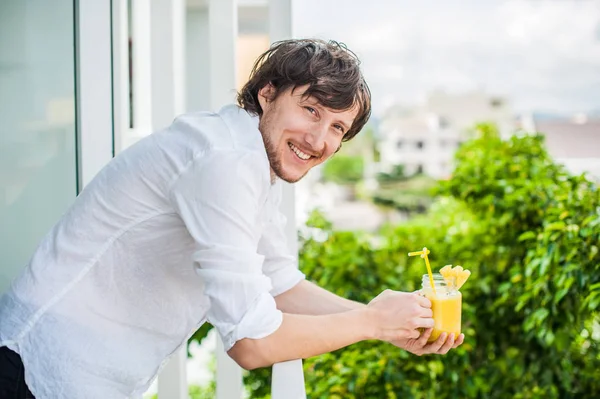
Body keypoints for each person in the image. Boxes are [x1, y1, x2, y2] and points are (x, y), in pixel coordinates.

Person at [0, 39, 464, 398]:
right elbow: (251, 343)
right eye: (311, 110)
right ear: (267, 94)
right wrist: (372, 324)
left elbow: (280, 285)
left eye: (337, 127)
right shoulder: (226, 159)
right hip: (34, 368)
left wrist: (381, 318)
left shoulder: (250, 159)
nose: (320, 140)